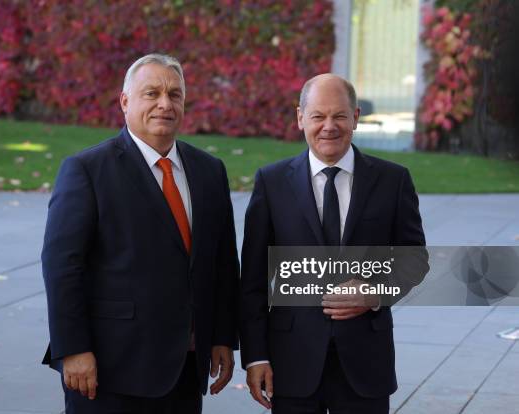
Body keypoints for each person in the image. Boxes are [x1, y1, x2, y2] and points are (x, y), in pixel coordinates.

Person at [41, 53, 240, 414]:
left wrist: (223, 336)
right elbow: (62, 266)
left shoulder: (210, 171)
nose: (165, 104)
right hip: (109, 368)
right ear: (125, 101)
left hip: (185, 366)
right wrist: (72, 348)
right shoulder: (87, 170)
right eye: (152, 93)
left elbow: (223, 262)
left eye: (174, 94)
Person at [240, 74, 426, 413]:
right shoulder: (271, 183)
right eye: (318, 116)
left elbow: (414, 259)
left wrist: (376, 292)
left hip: (365, 361)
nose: (329, 126)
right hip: (290, 361)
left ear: (355, 118)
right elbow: (252, 281)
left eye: (339, 115)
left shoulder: (392, 181)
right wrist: (256, 356)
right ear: (300, 118)